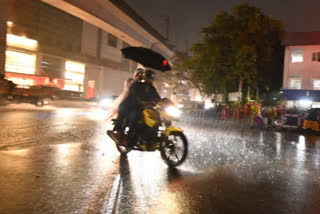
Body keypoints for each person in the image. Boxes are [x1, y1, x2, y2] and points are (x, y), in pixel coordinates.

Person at [108, 69, 161, 146]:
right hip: (134, 107)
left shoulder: (151, 87)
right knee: (135, 117)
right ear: (145, 77)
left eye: (152, 77)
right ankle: (128, 138)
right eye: (149, 77)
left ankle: (154, 137)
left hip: (147, 108)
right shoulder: (137, 84)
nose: (151, 79)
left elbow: (157, 97)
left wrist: (162, 102)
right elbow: (136, 94)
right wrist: (142, 101)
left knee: (157, 117)